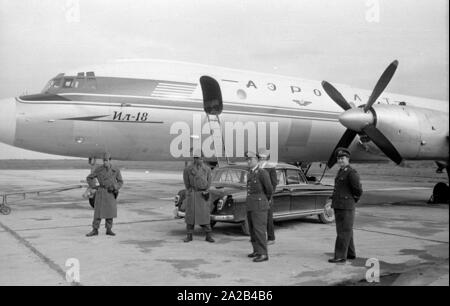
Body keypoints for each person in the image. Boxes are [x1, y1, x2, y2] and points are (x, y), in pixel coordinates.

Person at [328, 148, 363, 263]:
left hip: (346, 206)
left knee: (343, 232)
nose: (340, 161)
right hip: (339, 205)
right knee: (346, 231)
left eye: (342, 158)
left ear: (347, 159)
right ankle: (350, 253)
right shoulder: (341, 171)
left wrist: (353, 200)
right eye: (338, 159)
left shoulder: (351, 172)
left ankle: (340, 256)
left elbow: (358, 189)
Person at [86, 153, 123, 237]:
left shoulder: (115, 170)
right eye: (104, 161)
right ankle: (95, 230)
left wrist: (114, 187)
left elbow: (120, 182)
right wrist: (94, 186)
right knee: (98, 212)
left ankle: (109, 230)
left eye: (106, 160)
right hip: (101, 192)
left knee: (110, 212)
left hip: (111, 193)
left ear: (110, 160)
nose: (105, 162)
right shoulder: (99, 169)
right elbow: (89, 178)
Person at [245, 151, 273, 262]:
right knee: (252, 230)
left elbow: (269, 190)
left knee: (259, 230)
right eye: (247, 159)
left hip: (260, 205)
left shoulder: (262, 173)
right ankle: (256, 250)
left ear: (257, 160)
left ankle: (263, 254)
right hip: (251, 205)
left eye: (250, 159)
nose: (248, 161)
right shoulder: (250, 173)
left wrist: (265, 200)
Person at [183, 149, 214, 243]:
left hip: (202, 195)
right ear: (194, 159)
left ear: (203, 158)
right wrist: (191, 191)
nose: (199, 160)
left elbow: (209, 182)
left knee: (205, 216)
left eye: (200, 158)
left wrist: (206, 190)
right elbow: (186, 183)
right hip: (193, 194)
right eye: (196, 158)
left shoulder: (207, 169)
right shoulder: (188, 169)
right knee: (190, 217)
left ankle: (208, 235)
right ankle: (189, 235)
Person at [257, 148, 278, 245]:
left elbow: (273, 184)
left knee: (268, 218)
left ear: (267, 158)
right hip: (257, 196)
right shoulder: (256, 168)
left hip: (267, 197)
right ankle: (258, 237)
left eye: (263, 157)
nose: (261, 159)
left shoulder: (271, 168)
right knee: (257, 218)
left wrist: (269, 197)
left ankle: (271, 238)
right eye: (260, 157)